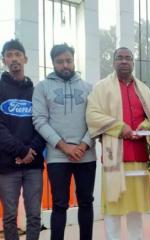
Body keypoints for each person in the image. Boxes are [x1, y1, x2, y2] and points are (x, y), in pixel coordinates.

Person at [86, 47, 150, 240]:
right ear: (113, 62)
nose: (124, 61)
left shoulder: (143, 89)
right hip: (115, 157)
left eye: (128, 58)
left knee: (136, 209)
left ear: (133, 63)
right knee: (114, 208)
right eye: (120, 58)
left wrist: (143, 126)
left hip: (139, 155)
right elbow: (92, 115)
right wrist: (120, 127)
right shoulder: (101, 87)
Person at [32, 43, 96, 240]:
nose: (65, 65)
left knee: (86, 202)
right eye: (60, 62)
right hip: (57, 156)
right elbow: (39, 120)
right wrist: (64, 146)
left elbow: (95, 121)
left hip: (86, 156)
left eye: (68, 60)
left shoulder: (88, 88)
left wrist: (84, 145)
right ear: (53, 63)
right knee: (59, 204)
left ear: (74, 61)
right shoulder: (42, 87)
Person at [0, 39, 45, 240]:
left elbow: (42, 124)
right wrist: (21, 151)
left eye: (18, 54)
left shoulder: (36, 92)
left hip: (33, 165)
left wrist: (30, 152)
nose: (14, 58)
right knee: (9, 217)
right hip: (6, 165)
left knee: (34, 216)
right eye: (9, 55)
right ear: (4, 60)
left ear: (25, 58)